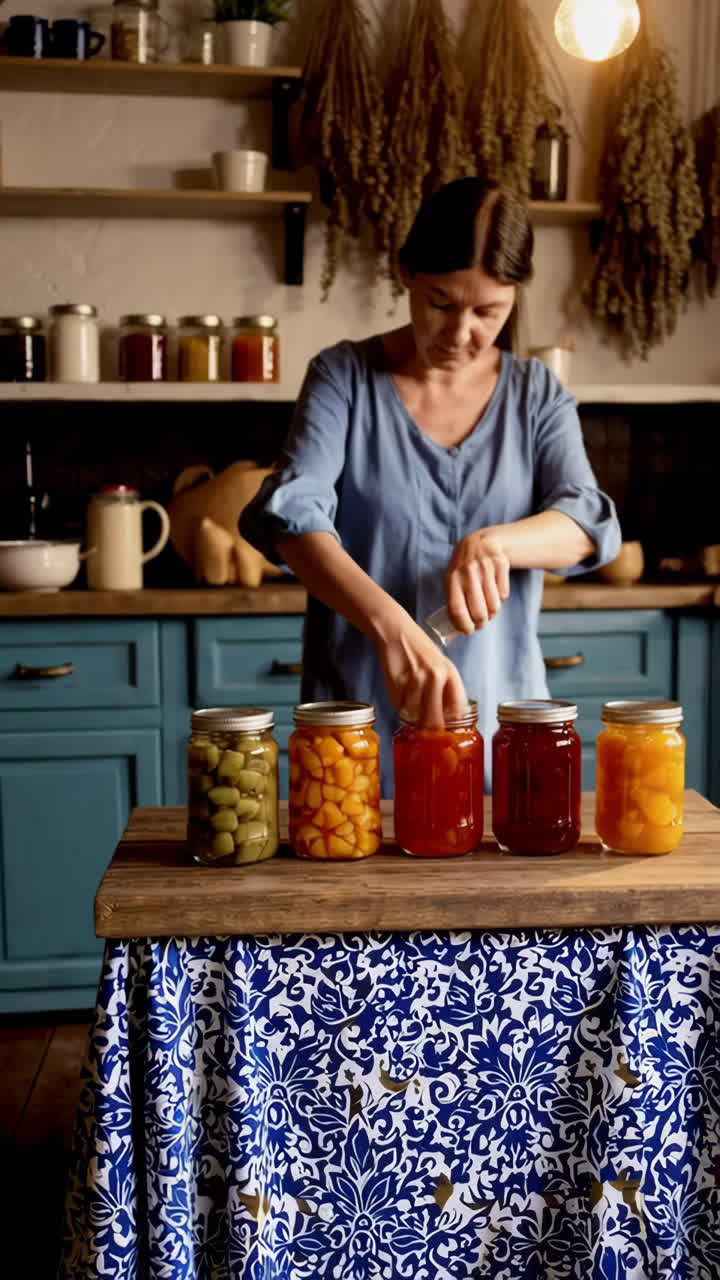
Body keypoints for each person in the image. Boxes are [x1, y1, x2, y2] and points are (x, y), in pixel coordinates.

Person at [240, 177, 621, 794]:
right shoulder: (343, 377)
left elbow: (586, 525)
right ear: (405, 274)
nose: (461, 331)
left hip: (505, 737)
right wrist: (395, 631)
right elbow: (290, 515)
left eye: (489, 312)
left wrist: (495, 544)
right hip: (355, 742)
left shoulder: (537, 395)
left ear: (514, 298)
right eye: (441, 303)